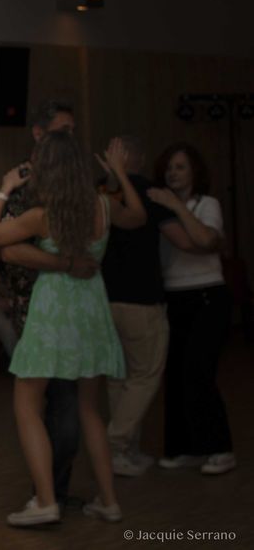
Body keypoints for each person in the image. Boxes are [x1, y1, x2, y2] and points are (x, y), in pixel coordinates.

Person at [0, 134, 145, 527]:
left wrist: (5, 188)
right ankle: (109, 501)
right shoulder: (104, 205)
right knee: (90, 409)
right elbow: (139, 216)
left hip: (53, 311)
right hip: (91, 309)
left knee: (26, 404)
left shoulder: (44, 215)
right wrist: (120, 173)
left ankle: (46, 501)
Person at [0, 101, 96, 511]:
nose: (71, 136)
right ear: (39, 134)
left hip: (72, 303)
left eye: (73, 129)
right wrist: (66, 263)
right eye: (63, 129)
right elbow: (8, 248)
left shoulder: (78, 183)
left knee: (66, 401)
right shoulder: (25, 182)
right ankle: (46, 492)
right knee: (50, 400)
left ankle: (54, 491)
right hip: (33, 303)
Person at [148, 143, 236, 476]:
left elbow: (208, 240)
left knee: (198, 371)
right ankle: (184, 448)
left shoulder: (207, 204)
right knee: (175, 376)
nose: (173, 172)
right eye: (169, 167)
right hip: (173, 297)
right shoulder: (159, 209)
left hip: (208, 296)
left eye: (180, 166)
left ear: (195, 171)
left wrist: (176, 206)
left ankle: (221, 448)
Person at [98, 134, 174, 477]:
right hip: (141, 299)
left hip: (108, 298)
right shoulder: (149, 192)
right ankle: (116, 445)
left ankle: (125, 452)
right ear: (140, 160)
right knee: (144, 376)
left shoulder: (100, 191)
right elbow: (147, 222)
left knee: (119, 379)